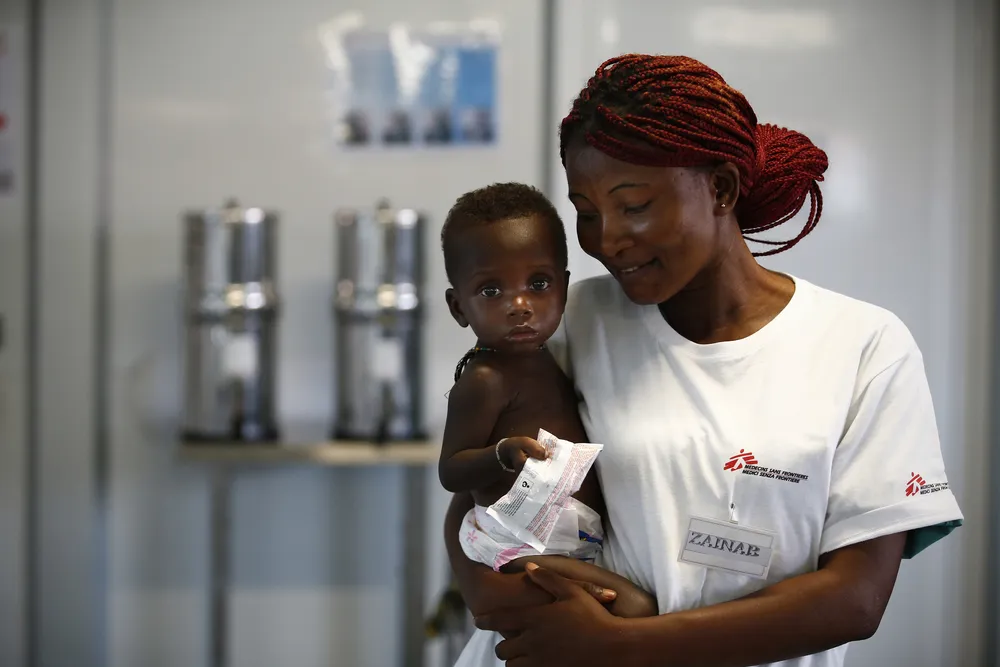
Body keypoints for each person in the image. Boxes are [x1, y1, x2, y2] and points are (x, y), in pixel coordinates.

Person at [443, 54, 965, 667]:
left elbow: (855, 600)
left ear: (720, 188)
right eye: (586, 213)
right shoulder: (571, 324)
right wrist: (503, 611)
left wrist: (624, 645)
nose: (606, 238)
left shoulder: (863, 345)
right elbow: (476, 508)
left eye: (633, 204)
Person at [437, 183, 658, 629]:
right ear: (459, 307)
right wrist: (501, 455)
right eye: (491, 291)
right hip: (518, 544)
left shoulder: (553, 353)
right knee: (635, 608)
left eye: (538, 284)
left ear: (564, 286)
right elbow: (451, 471)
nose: (520, 305)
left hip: (565, 539)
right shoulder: (484, 381)